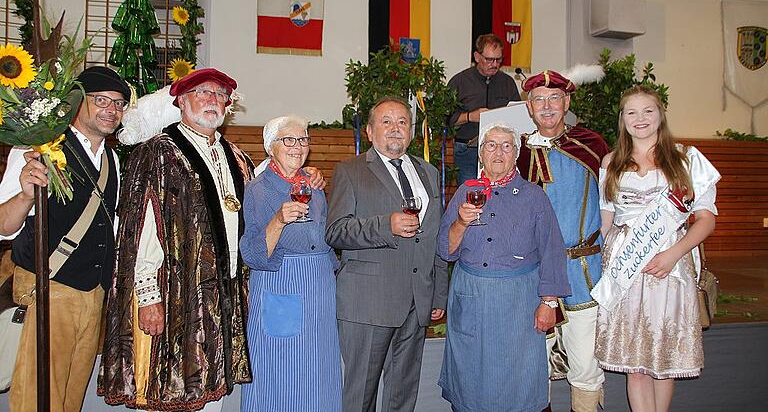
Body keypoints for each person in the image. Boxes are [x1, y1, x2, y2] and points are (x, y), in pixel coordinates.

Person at [98, 68, 254, 411]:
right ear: (181, 101)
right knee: (172, 388)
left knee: (212, 389)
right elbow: (141, 230)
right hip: (174, 294)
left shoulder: (238, 158)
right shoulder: (157, 153)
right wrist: (148, 294)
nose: (212, 100)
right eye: (202, 93)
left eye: (219, 95)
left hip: (220, 293)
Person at [0, 66, 129, 412]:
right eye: (100, 100)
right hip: (48, 289)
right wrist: (26, 194)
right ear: (76, 104)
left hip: (93, 294)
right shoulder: (38, 147)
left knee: (70, 397)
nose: (111, 110)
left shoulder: (113, 160)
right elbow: (3, 225)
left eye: (118, 104)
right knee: (37, 396)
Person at [592, 85, 719, 412]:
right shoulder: (611, 162)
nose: (640, 119)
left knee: (661, 360)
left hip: (669, 268)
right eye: (631, 112)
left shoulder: (686, 159)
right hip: (625, 269)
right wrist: (603, 270)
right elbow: (606, 222)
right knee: (635, 365)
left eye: (648, 110)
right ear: (622, 119)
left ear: (661, 114)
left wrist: (673, 254)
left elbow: (705, 220)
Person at [326, 96, 449, 412]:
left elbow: (433, 237)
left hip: (416, 303)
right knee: (360, 398)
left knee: (402, 396)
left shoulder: (429, 173)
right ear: (369, 131)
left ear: (411, 131)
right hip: (368, 303)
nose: (396, 129)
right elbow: (336, 231)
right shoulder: (349, 171)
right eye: (386, 122)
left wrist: (437, 295)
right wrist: (386, 225)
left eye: (403, 122)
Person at [437, 124, 570, 412]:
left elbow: (552, 250)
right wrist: (461, 222)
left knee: (517, 384)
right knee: (471, 381)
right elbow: (445, 251)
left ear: (516, 153)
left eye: (507, 145)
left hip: (518, 303)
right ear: (481, 154)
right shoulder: (464, 192)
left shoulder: (534, 196)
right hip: (470, 297)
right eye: (491, 145)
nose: (499, 152)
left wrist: (549, 302)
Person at [517, 70, 610, 411]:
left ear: (567, 102)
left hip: (583, 272)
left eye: (554, 98)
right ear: (529, 107)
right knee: (534, 364)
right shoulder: (518, 152)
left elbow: (620, 198)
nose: (547, 106)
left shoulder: (592, 146)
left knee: (585, 363)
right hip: (535, 275)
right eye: (539, 100)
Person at [239, 115, 342, 411]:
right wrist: (279, 220)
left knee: (320, 369)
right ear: (271, 147)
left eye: (303, 139)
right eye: (289, 140)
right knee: (281, 370)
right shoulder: (257, 190)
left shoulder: (313, 184)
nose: (298, 146)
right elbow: (253, 255)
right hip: (282, 284)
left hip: (320, 288)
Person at [448, 33, 521, 185]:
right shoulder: (459, 82)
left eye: (498, 59)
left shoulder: (507, 83)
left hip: (501, 151)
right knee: (471, 192)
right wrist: (470, 117)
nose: (494, 64)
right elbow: (446, 119)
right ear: (477, 56)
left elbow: (518, 117)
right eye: (489, 59)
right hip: (467, 150)